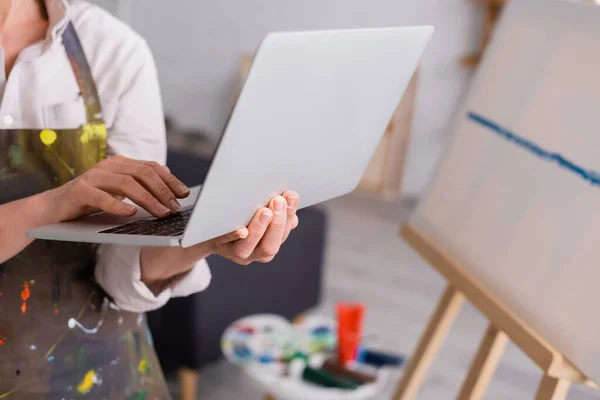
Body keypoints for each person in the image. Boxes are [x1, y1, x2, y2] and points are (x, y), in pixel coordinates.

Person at [0, 0, 300, 398]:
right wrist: (56, 204)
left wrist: (198, 241)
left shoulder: (113, 48)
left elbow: (118, 275)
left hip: (96, 375)